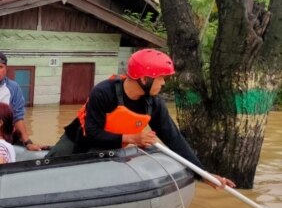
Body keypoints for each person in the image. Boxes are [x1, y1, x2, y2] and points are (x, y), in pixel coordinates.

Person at [46, 49, 235, 188]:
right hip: (78, 140)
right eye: (161, 78)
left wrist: (203, 175)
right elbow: (92, 133)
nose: (163, 84)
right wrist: (131, 138)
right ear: (144, 79)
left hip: (108, 148)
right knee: (47, 171)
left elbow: (174, 139)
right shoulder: (103, 92)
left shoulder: (153, 104)